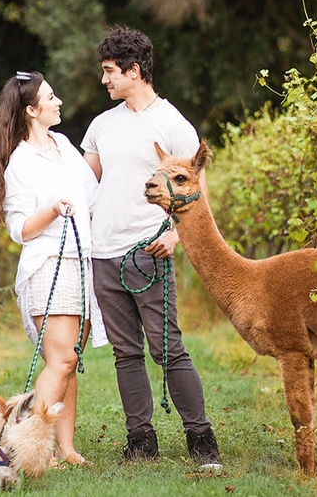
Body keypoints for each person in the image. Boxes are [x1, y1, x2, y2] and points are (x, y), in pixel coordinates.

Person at [81, 26, 222, 470]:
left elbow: (198, 190)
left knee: (167, 348)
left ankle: (201, 439)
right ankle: (140, 440)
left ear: (133, 70)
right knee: (126, 353)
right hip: (104, 253)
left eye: (109, 72)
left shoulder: (172, 124)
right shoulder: (102, 125)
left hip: (148, 252)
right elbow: (85, 182)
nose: (104, 80)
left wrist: (176, 234)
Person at [0, 70, 108, 466]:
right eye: (51, 98)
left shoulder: (64, 145)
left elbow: (93, 195)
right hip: (49, 265)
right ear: (32, 110)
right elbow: (20, 229)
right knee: (63, 360)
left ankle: (63, 448)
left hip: (80, 264)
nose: (59, 102)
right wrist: (51, 210)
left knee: (66, 363)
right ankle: (15, 446)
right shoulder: (21, 162)